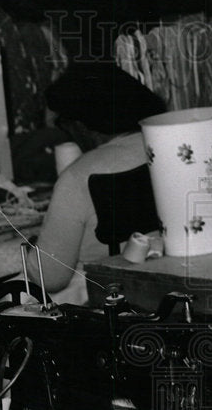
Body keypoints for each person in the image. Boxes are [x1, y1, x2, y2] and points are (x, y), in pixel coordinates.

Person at [29, 63, 166, 302]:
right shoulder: (168, 150)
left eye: (66, 125)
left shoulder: (79, 176)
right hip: (165, 292)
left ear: (82, 125)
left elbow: (50, 278)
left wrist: (32, 247)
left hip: (107, 305)